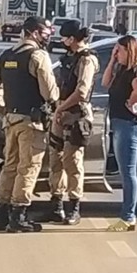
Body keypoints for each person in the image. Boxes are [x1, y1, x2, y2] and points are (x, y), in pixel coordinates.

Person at [0, 16, 59, 233]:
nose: (47, 37)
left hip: (11, 120)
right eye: (45, 33)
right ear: (35, 33)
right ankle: (18, 215)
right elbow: (50, 92)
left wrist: (4, 111)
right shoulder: (38, 56)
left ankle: (1, 215)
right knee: (28, 167)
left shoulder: (6, 56)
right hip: (32, 122)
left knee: (9, 166)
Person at [43, 20, 99, 226]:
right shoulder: (68, 58)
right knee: (55, 159)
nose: (61, 40)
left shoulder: (86, 60)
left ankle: (74, 207)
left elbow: (82, 92)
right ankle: (56, 205)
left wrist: (60, 108)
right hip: (60, 113)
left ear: (72, 38)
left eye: (64, 37)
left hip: (76, 115)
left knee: (72, 161)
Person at [101, 35, 137, 232]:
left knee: (128, 174)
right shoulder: (123, 69)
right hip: (120, 124)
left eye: (119, 50)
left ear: (129, 50)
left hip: (130, 125)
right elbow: (105, 82)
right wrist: (112, 60)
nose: (116, 53)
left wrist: (131, 102)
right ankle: (128, 216)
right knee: (126, 173)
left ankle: (128, 217)